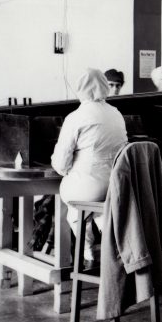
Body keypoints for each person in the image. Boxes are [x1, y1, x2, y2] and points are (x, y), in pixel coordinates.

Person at [51, 69, 128, 263]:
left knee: (73, 206)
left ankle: (87, 250)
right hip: (116, 186)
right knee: (99, 209)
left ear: (81, 88)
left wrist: (69, 168)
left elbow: (60, 163)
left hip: (87, 190)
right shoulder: (116, 114)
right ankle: (111, 245)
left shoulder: (75, 117)